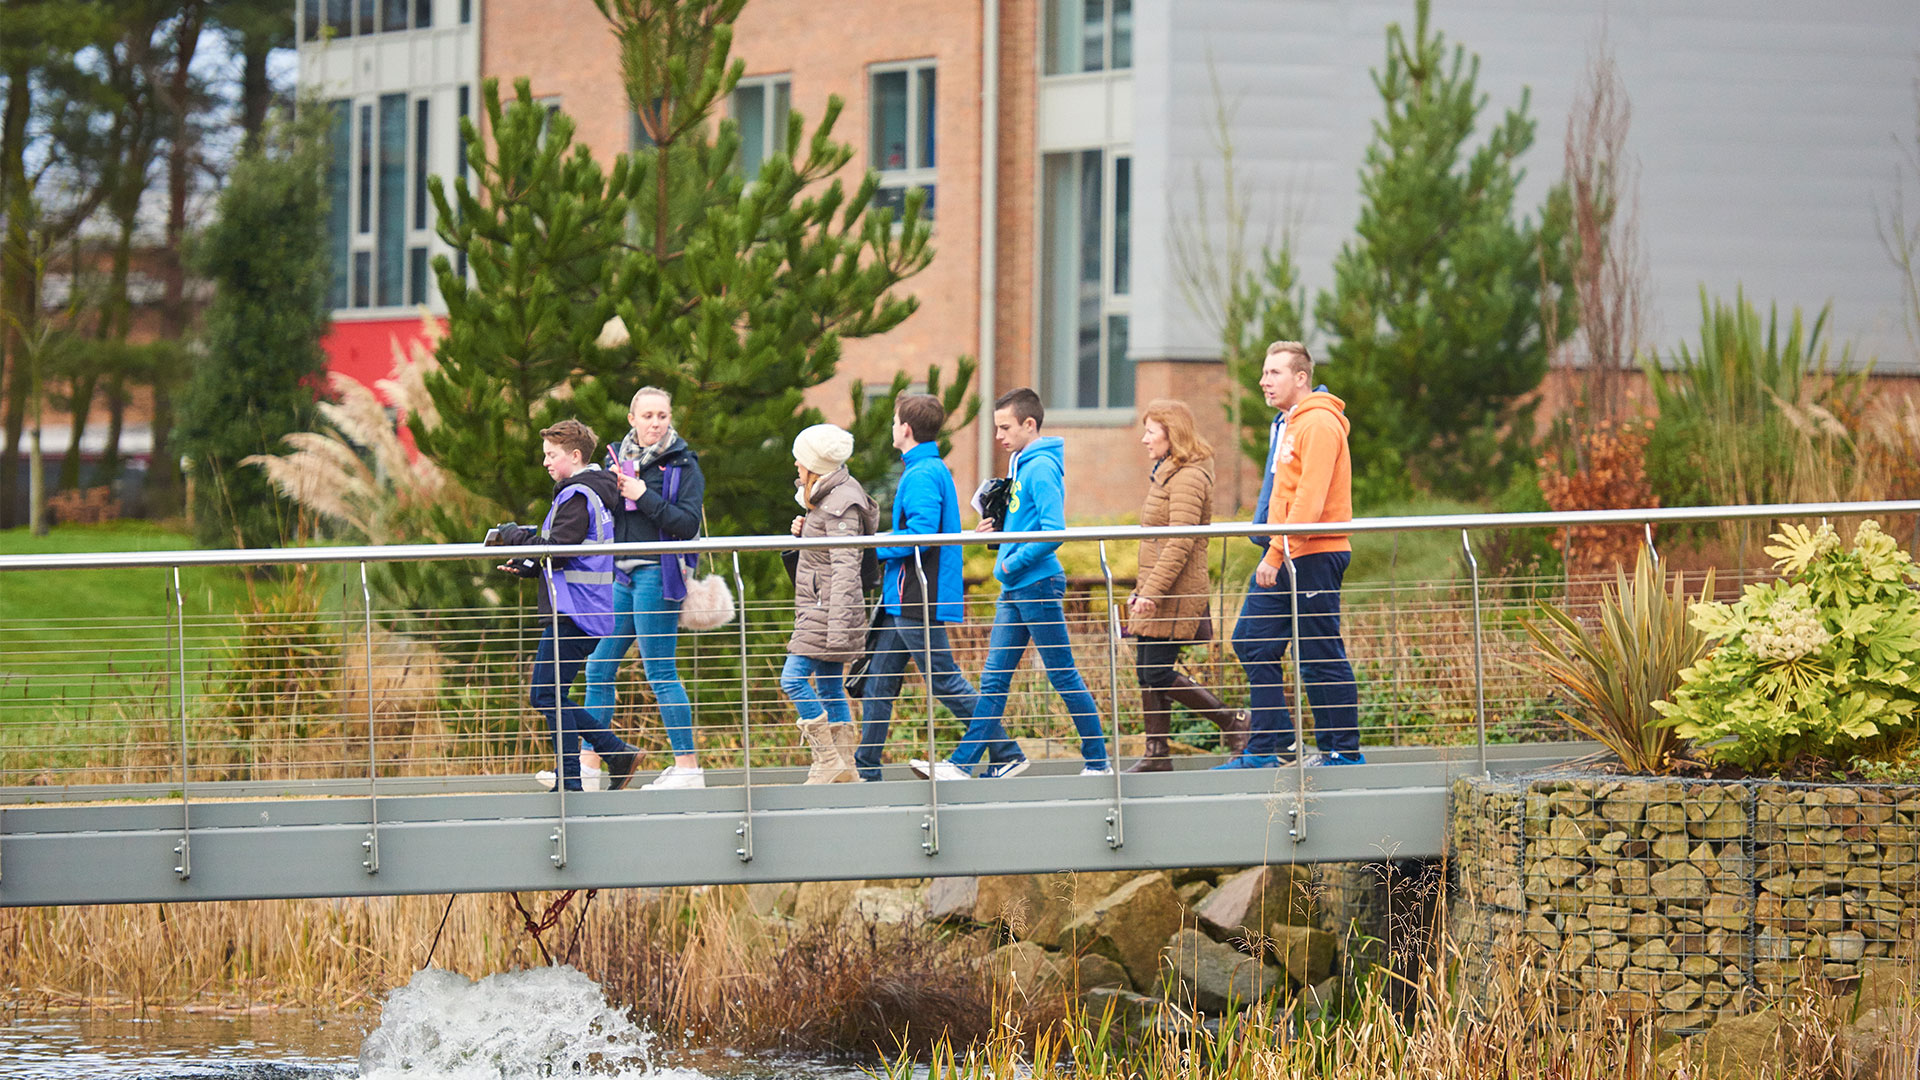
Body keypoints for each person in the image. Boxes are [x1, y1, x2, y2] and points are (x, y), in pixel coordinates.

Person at [911, 387, 1110, 779]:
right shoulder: (1021, 464)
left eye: (1005, 427)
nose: (999, 436)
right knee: (994, 678)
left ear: (1029, 424)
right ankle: (964, 764)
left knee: (1061, 673)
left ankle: (1098, 762)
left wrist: (1011, 562)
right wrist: (998, 534)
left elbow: (1054, 532)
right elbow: (1028, 525)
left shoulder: (1040, 467)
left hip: (1035, 583)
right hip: (1017, 586)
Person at [856, 395, 1019, 782]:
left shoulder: (922, 473)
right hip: (906, 596)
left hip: (916, 595)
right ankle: (866, 769)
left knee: (944, 679)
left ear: (906, 429)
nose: (892, 428)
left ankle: (1007, 751)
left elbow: (922, 535)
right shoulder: (926, 468)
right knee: (878, 680)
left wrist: (872, 544)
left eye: (895, 421)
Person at [1224, 342, 1362, 768]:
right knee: (1251, 640)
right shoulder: (1289, 423)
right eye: (1264, 373)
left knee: (1320, 654)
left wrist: (1276, 553)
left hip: (1313, 555)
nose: (1264, 381)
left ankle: (1342, 752)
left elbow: (1310, 501)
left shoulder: (1318, 423)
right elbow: (1284, 495)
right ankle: (1272, 745)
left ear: (1300, 377)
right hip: (1285, 551)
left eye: (1275, 373)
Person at [491, 420, 632, 792]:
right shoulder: (591, 493)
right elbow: (565, 552)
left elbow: (559, 547)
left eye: (552, 455)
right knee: (551, 693)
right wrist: (527, 565)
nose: (546, 463)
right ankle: (597, 763)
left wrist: (516, 537)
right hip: (583, 609)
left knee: (544, 694)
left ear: (574, 455)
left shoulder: (577, 495)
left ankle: (594, 765)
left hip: (575, 612)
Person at [582, 386, 707, 792]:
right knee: (598, 667)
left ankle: (688, 769)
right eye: (648, 415)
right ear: (631, 419)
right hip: (620, 577)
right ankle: (588, 769)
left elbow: (687, 525)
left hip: (658, 575)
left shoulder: (683, 464)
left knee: (660, 671)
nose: (656, 423)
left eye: (663, 416)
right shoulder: (615, 461)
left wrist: (643, 495)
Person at [1124, 399, 1249, 772]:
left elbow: (1180, 541)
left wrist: (1151, 592)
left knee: (1158, 671)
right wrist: (1140, 589)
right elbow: (1157, 542)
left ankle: (1233, 721)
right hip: (1158, 590)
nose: (1144, 439)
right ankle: (1157, 754)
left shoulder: (1190, 476)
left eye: (1150, 431)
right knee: (1147, 671)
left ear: (1171, 433)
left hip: (1176, 592)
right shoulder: (1167, 471)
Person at [782, 423, 880, 784]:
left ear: (815, 464)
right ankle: (846, 768)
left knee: (792, 679)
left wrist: (840, 629)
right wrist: (804, 530)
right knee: (828, 688)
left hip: (826, 611)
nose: (795, 464)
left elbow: (845, 567)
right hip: (821, 606)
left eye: (801, 459)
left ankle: (827, 760)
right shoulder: (827, 497)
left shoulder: (840, 504)